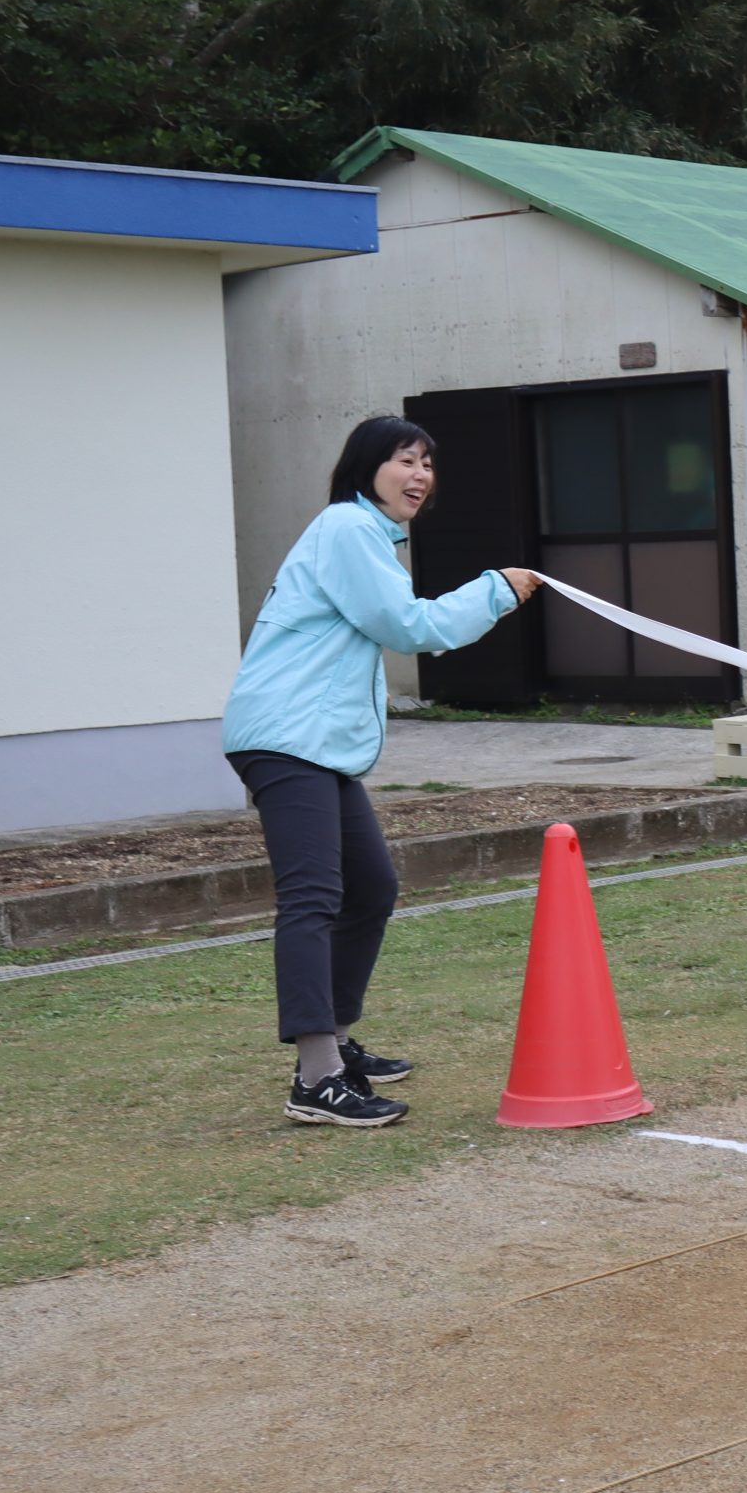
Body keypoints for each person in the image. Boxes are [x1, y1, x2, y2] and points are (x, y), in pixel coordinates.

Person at [221, 415, 541, 1127]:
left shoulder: (362, 536)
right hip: (287, 736)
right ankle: (316, 1078)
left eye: (429, 463)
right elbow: (409, 626)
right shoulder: (348, 529)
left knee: (371, 887)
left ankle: (333, 1040)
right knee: (314, 896)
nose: (421, 475)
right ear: (367, 466)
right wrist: (496, 589)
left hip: (316, 741)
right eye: (406, 459)